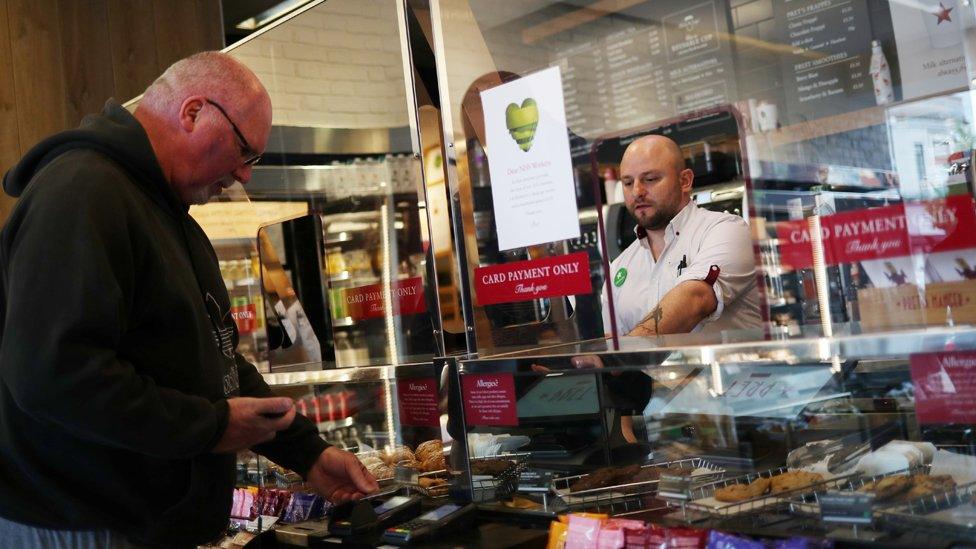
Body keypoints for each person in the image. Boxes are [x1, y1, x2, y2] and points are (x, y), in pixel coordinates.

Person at [0, 51, 377, 548]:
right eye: (245, 151)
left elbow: (216, 359)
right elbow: (54, 374)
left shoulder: (173, 218)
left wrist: (306, 451)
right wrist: (210, 428)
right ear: (194, 111)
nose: (244, 175)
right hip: (83, 525)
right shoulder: (83, 191)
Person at [602, 134, 761, 338]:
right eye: (627, 182)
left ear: (685, 181)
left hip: (728, 370)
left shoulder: (727, 230)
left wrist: (624, 351)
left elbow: (696, 299)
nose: (637, 191)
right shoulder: (618, 269)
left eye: (650, 179)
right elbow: (614, 347)